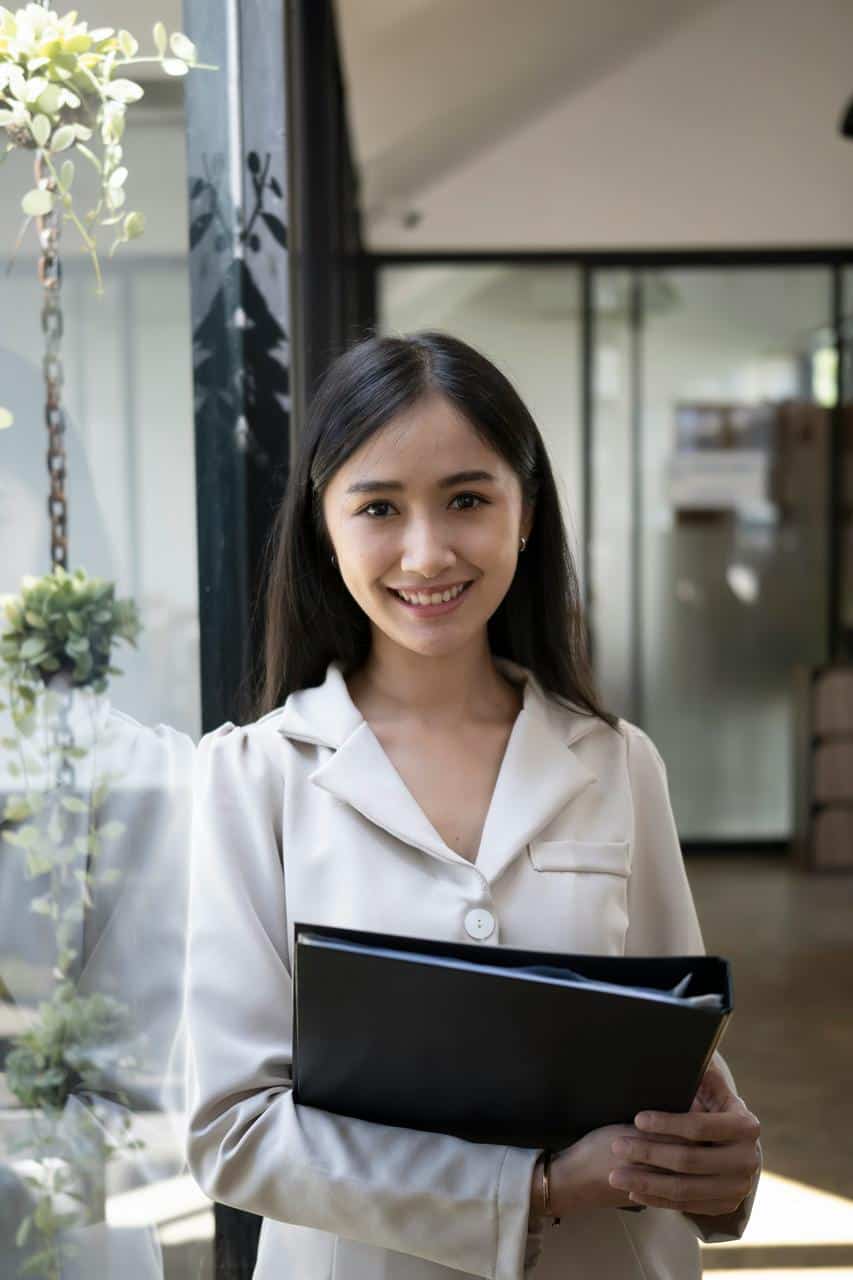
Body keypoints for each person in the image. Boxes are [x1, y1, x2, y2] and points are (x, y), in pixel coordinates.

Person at [183, 331, 762, 1280]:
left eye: (466, 498)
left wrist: (722, 1169)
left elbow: (680, 1057)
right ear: (323, 529)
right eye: (377, 506)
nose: (426, 551)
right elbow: (232, 1130)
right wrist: (530, 1190)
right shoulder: (252, 777)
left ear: (524, 512)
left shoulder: (618, 763)